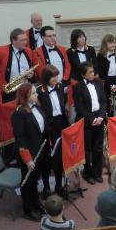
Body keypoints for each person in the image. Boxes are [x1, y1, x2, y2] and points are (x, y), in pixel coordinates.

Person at [11, 83, 49, 221]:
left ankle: (36, 203)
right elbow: (20, 139)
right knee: (27, 183)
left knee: (35, 180)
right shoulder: (19, 113)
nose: (36, 94)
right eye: (33, 93)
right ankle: (28, 209)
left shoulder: (37, 106)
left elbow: (42, 128)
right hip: (28, 154)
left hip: (39, 150)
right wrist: (27, 159)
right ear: (25, 96)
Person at [37, 65, 68, 196]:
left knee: (59, 157)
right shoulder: (39, 91)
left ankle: (58, 185)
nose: (56, 79)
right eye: (52, 77)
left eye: (56, 76)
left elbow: (63, 103)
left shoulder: (60, 87)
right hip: (48, 126)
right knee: (47, 158)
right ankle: (46, 187)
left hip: (61, 123)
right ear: (46, 78)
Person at [74, 62, 107, 184]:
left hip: (99, 118)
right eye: (90, 72)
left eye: (93, 71)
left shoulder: (98, 82)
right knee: (87, 149)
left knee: (98, 147)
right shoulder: (78, 87)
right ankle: (88, 173)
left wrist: (101, 117)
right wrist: (92, 119)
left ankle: (97, 172)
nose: (93, 74)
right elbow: (79, 108)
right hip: (87, 121)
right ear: (83, 75)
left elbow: (103, 102)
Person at [0, 28, 39, 102]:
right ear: (13, 40)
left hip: (25, 89)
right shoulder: (1, 51)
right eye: (22, 40)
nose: (25, 42)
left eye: (26, 40)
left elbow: (33, 69)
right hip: (9, 90)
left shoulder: (28, 51)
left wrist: (31, 75)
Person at [95, 34, 116, 116]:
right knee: (108, 101)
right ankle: (108, 117)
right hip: (106, 81)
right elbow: (100, 71)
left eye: (114, 43)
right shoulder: (101, 56)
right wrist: (106, 82)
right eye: (110, 43)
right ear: (105, 44)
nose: (113, 45)